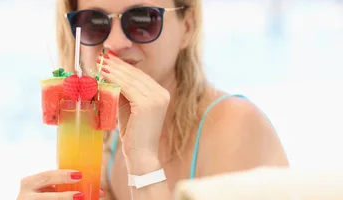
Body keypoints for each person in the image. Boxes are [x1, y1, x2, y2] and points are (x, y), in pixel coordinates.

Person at [17, 0, 289, 199]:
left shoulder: (236, 125)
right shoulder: (107, 132)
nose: (114, 43)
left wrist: (144, 162)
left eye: (141, 20)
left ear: (188, 27)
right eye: (94, 23)